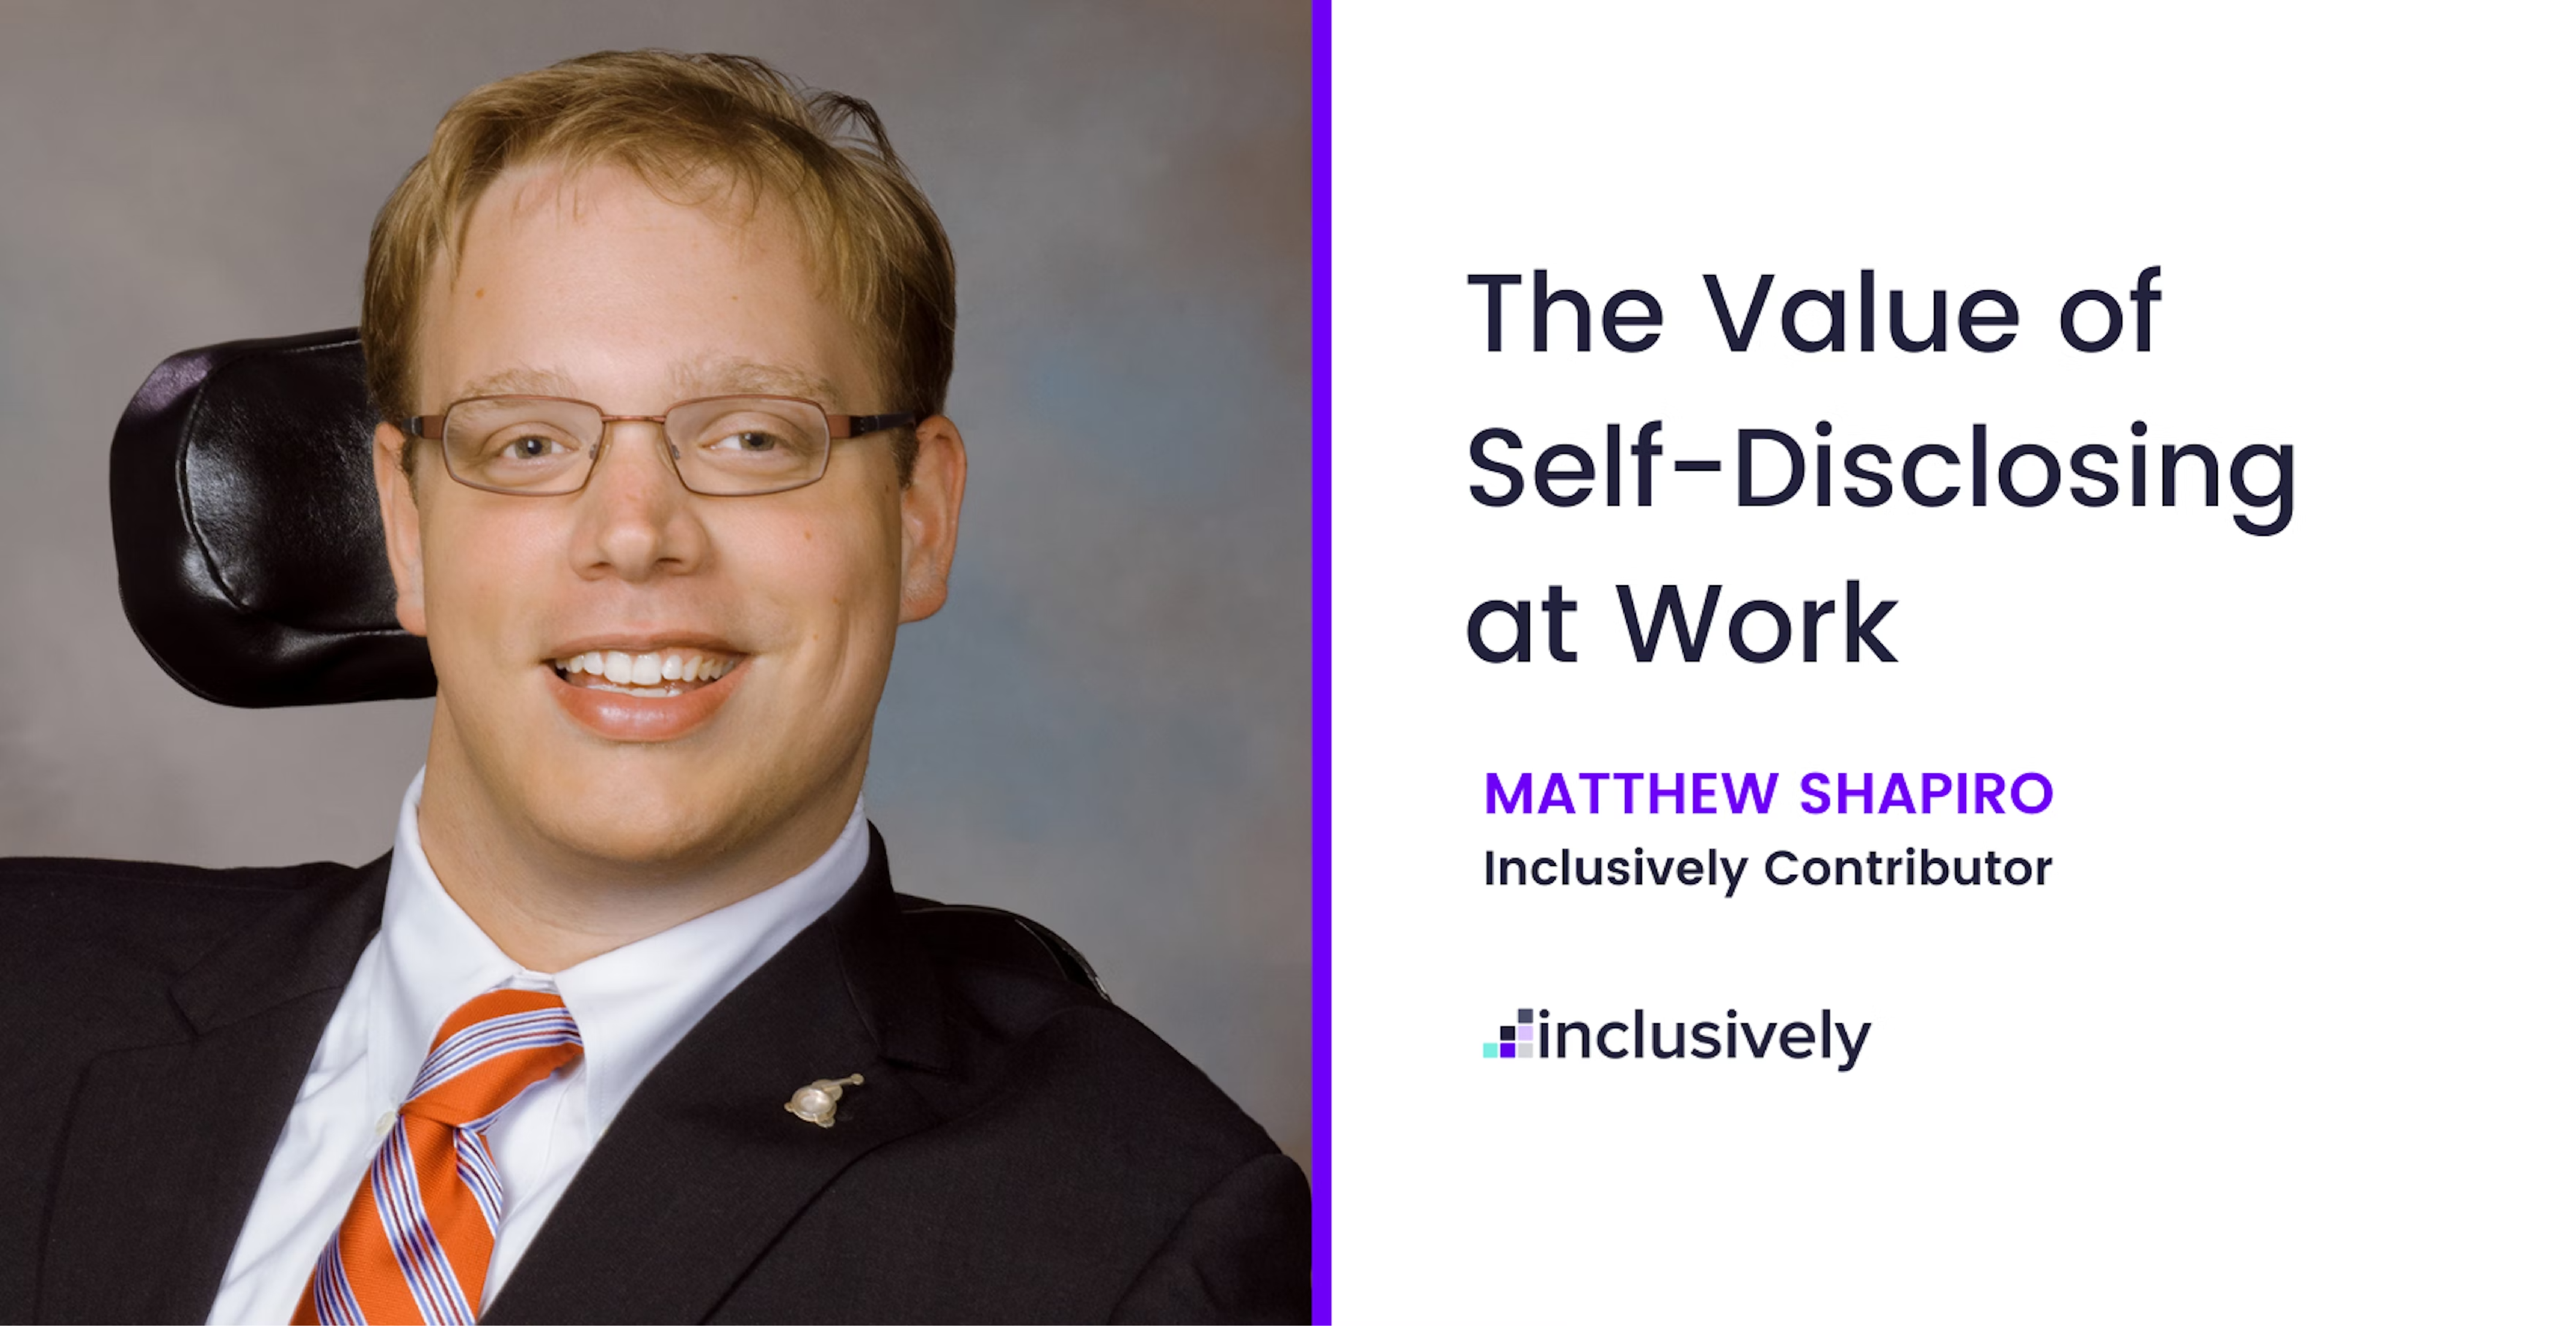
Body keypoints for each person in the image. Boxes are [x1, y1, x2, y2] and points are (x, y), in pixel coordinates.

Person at [0, 50, 1307, 1325]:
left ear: (919, 513)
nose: (634, 533)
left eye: (751, 438)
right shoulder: (28, 993)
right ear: (405, 522)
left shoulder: (1134, 1240)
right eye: (527, 441)